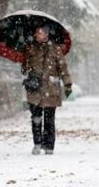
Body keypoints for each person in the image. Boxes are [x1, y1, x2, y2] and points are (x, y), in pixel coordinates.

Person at [21, 26, 72, 155]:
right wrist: (25, 64)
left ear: (46, 34)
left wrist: (67, 84)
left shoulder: (55, 49)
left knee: (49, 119)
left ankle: (49, 146)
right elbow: (24, 69)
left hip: (51, 89)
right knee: (36, 118)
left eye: (39, 32)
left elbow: (63, 67)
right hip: (35, 88)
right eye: (36, 32)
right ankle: (37, 143)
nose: (36, 34)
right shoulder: (30, 48)